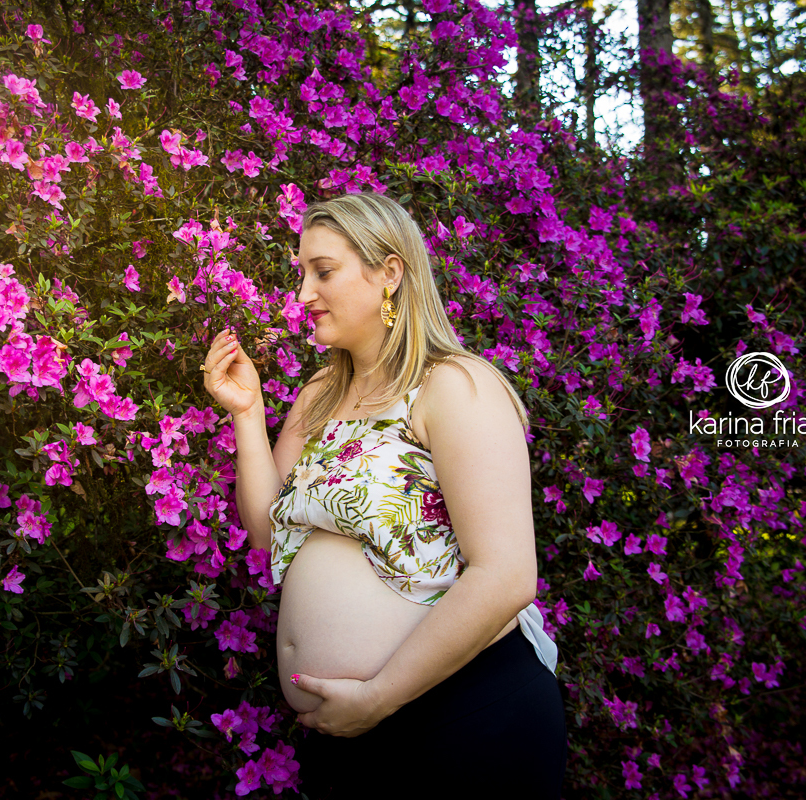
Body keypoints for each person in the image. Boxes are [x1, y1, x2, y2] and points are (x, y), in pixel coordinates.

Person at [201, 192, 566, 798]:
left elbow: (505, 575)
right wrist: (248, 412)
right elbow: (267, 532)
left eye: (324, 271)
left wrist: (377, 697)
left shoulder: (453, 385)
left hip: (463, 712)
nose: (302, 296)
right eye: (301, 275)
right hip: (350, 732)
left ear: (389, 273)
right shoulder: (320, 392)